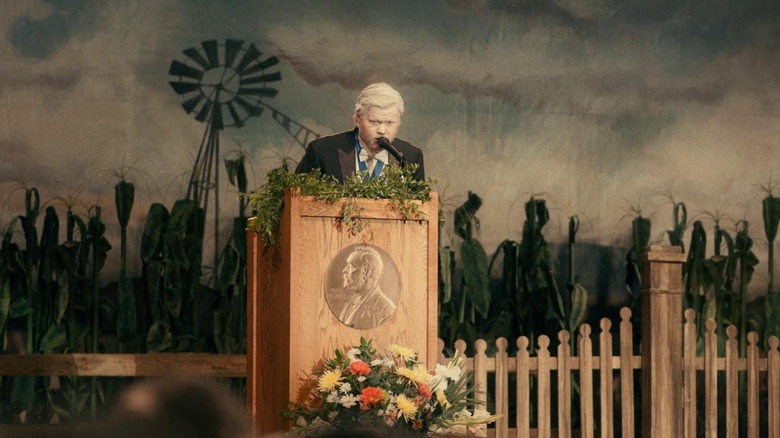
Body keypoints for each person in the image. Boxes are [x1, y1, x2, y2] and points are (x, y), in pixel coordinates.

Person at [295, 82, 425, 183]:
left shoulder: (411, 157)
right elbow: (294, 204)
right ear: (357, 118)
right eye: (374, 121)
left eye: (389, 123)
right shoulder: (321, 152)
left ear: (399, 122)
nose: (382, 130)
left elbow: (421, 211)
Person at [338, 246, 396, 329]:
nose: (344, 270)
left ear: (366, 271)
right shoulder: (350, 303)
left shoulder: (386, 311)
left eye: (351, 266)